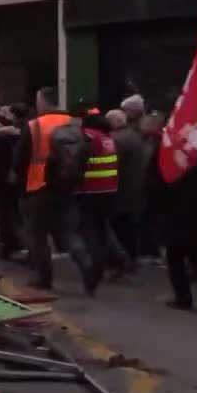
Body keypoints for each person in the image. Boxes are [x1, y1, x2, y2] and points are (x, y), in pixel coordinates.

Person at [16, 86, 98, 294]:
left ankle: (44, 279)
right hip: (67, 185)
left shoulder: (34, 125)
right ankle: (87, 265)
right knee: (69, 232)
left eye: (38, 100)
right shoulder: (73, 123)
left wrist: (19, 183)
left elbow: (20, 159)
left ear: (43, 102)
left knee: (38, 235)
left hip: (39, 187)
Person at [149, 118, 197, 312]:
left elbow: (154, 179)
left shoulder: (168, 146)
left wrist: (156, 207)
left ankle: (184, 297)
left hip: (175, 210)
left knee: (176, 256)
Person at [76, 110, 130, 289]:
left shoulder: (89, 141)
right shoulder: (110, 141)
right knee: (103, 229)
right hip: (108, 192)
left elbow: (76, 168)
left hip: (89, 193)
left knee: (90, 232)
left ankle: (96, 267)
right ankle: (119, 259)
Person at [108, 108, 148, 266]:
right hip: (136, 186)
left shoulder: (115, 139)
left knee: (118, 226)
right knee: (130, 225)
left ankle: (121, 259)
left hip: (120, 188)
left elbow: (113, 164)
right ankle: (132, 255)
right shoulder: (135, 136)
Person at [0, 106, 24, 260]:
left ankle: (2, 247)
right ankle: (16, 244)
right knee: (14, 214)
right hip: (15, 181)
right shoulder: (20, 135)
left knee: (0, 215)